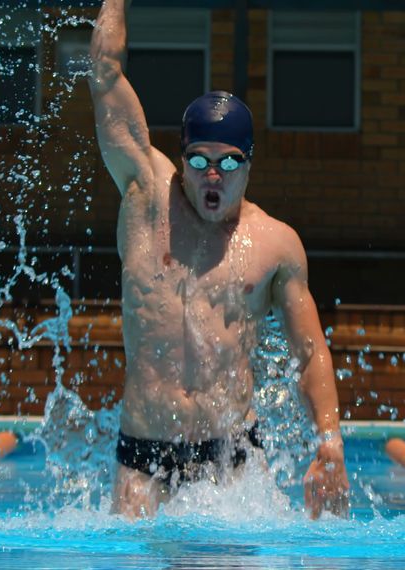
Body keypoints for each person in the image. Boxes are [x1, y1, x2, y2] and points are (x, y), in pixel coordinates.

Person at [88, 0, 349, 519]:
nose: (213, 174)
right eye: (200, 160)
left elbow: (309, 352)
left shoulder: (275, 243)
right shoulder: (146, 198)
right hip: (144, 457)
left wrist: (331, 441)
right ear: (181, 159)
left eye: (229, 161)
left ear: (248, 164)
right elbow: (104, 72)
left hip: (232, 460)